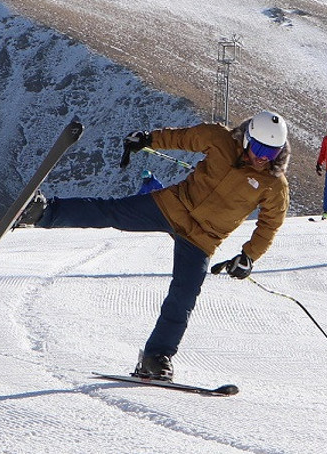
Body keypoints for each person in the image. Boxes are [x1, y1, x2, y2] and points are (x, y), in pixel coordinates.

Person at [16, 111, 290, 380]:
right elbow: (183, 138)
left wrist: (248, 256)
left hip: (202, 237)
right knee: (111, 212)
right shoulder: (220, 139)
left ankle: (156, 357)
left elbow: (270, 224)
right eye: (258, 148)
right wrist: (148, 139)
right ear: (247, 137)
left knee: (183, 297)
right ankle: (44, 213)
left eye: (271, 152)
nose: (262, 158)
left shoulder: (274, 185)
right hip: (172, 206)